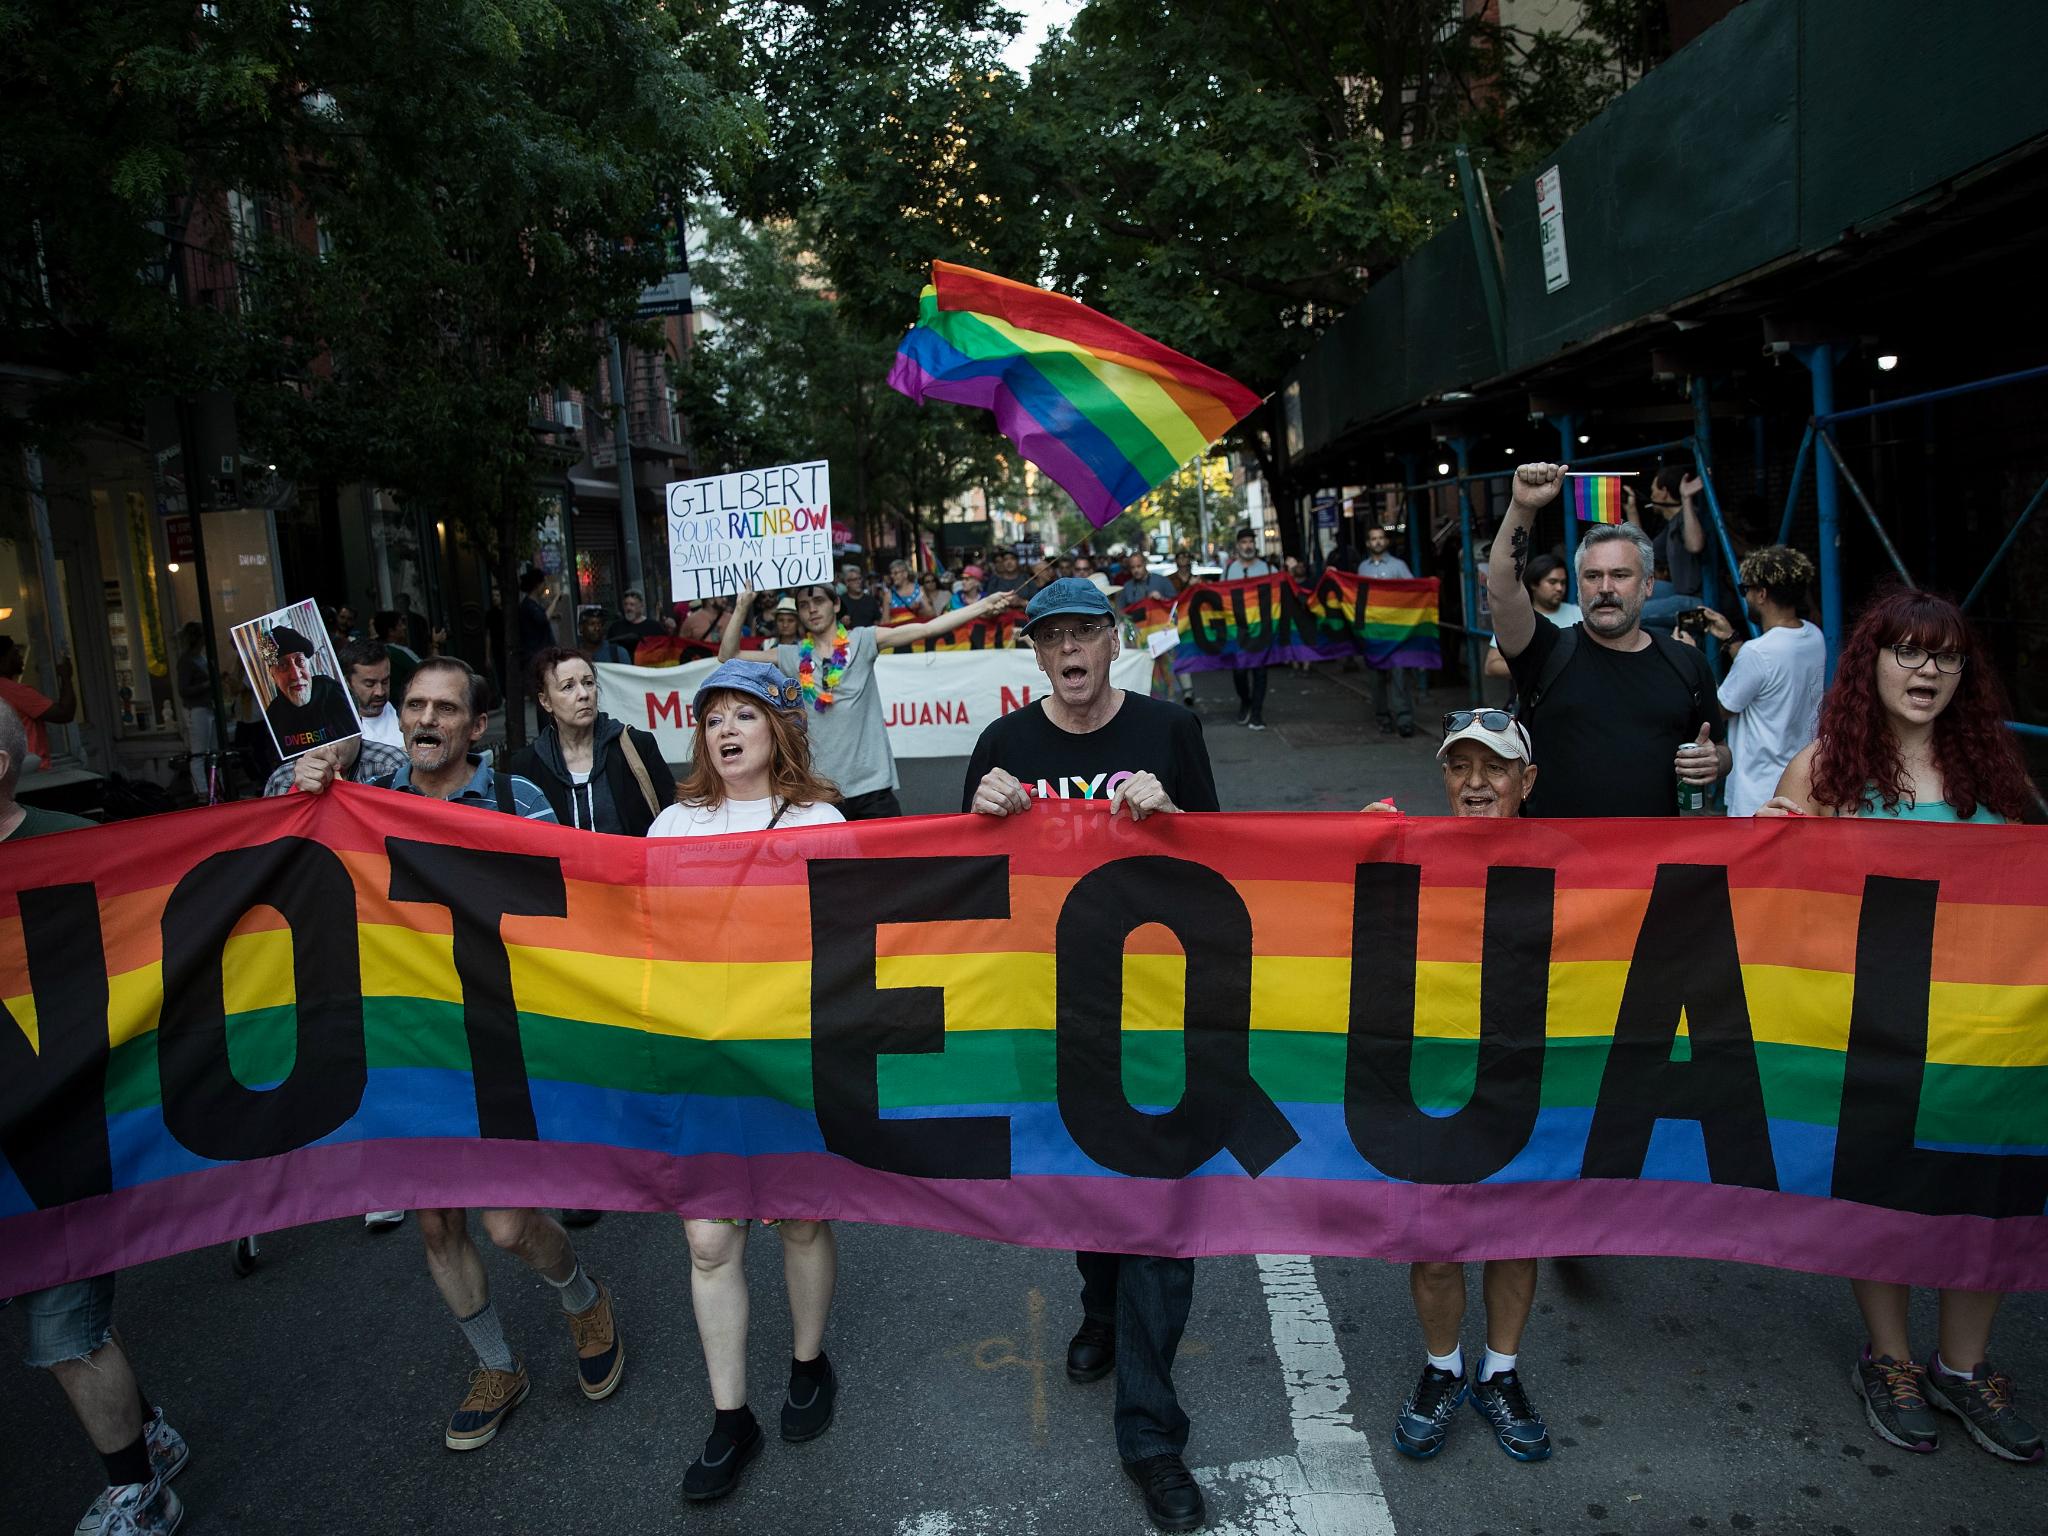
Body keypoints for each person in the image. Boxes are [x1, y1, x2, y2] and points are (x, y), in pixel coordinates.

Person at [292, 658, 621, 1449]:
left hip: (500, 1037)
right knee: (438, 1224)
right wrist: (306, 774)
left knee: (508, 1225)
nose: (427, 720)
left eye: (446, 709)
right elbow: (282, 849)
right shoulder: (364, 799)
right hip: (408, 1045)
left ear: (477, 727)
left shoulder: (518, 800)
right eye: (414, 707)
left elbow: (571, 910)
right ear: (397, 719)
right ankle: (497, 1366)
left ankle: (582, 1298)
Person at [1754, 589, 2040, 1464]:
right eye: (1909, 653)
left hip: (1988, 1035)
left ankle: (1964, 1367)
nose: (1927, 671)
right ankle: (1890, 1359)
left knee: (1980, 1196)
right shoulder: (1821, 771)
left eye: (1945, 656)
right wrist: (1765, 847)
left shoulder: (1997, 774)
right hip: (1872, 1028)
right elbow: (1784, 915)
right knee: (1882, 1189)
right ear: (1870, 664)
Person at [962, 576, 1219, 1534]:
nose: (1069, 650)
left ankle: (1152, 1437)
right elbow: (971, 885)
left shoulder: (1169, 732)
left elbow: (1237, 867)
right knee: (1085, 1190)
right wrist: (979, 807)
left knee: (1160, 1215)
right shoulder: (1005, 746)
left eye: (1084, 634)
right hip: (1055, 1017)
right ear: (1035, 654)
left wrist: (1178, 815)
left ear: (1115, 642)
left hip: (1159, 1015)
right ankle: (1099, 1307)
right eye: (1051, 638)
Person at [641, 660, 846, 1499]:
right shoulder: (671, 824)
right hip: (699, 1059)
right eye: (713, 717)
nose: (726, 730)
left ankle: (808, 1362)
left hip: (791, 1055)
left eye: (745, 716)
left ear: (780, 729)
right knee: (709, 1238)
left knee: (799, 1219)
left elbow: (847, 942)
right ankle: (732, 1419)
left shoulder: (823, 820)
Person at [4, 698, 192, 1536]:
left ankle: (140, 1491)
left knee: (63, 1329)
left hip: (64, 1134)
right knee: (47, 1312)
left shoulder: (66, 846)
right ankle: (148, 1434)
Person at [1359, 710, 1552, 1463]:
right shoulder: (1404, 849)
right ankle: (1442, 1369)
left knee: (1517, 1235)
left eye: (1495, 768)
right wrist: (1350, 851)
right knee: (1436, 1244)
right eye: (1460, 767)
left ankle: (1499, 1373)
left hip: (1526, 1076)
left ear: (1525, 781)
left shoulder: (1576, 858)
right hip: (1431, 1077)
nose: (1476, 785)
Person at [1487, 463, 1726, 818]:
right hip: (1559, 862)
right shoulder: (1547, 651)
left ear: (1648, 585)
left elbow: (1720, 747)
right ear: (1579, 583)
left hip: (1653, 862)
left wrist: (1715, 761)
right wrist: (1523, 506)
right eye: (1593, 576)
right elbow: (1504, 588)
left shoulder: (1687, 663)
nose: (1605, 588)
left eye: (1620, 575)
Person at [718, 579, 1017, 819]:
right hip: (820, 790)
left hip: (873, 786)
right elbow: (727, 656)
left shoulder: (863, 640)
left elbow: (927, 629)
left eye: (819, 600)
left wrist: (983, 605)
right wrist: (743, 605)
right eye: (804, 605)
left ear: (835, 604)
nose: (811, 609)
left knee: (890, 875)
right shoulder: (792, 656)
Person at [1690, 546, 1824, 816]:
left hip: (1758, 792)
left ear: (1761, 594)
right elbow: (1771, 675)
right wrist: (1730, 640)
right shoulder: (1814, 636)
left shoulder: (1758, 653)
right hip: (1801, 782)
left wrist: (1691, 657)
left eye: (1745, 589)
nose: (1746, 597)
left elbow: (1720, 709)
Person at [504, 646, 676, 836]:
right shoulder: (526, 766)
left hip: (633, 864)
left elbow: (672, 819)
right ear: (546, 702)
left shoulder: (638, 746)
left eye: (588, 683)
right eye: (568, 687)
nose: (584, 694)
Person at [256, 625, 360, 755]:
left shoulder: (331, 691)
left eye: (300, 661)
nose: (296, 675)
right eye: (282, 665)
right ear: (273, 676)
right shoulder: (273, 715)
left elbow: (356, 739)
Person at [1482, 554, 1582, 687]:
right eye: (1552, 582)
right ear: (1534, 584)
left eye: (1563, 583)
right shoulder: (1519, 618)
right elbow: (1492, 666)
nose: (1559, 588)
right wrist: (1541, 666)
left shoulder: (1578, 613)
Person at [1354, 526, 1417, 735]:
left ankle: (1404, 719)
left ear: (1386, 541)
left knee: (1400, 676)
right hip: (1374, 634)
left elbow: (1413, 592)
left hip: (1396, 633)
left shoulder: (1399, 566)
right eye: (1373, 539)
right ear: (1368, 543)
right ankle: (1382, 717)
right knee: (1376, 678)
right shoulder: (1363, 568)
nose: (1378, 542)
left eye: (1381, 538)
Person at [1222, 526, 1273, 731]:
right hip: (1238, 631)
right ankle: (1246, 701)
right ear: (1238, 546)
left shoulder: (1268, 569)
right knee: (1240, 672)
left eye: (1250, 542)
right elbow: (1221, 597)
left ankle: (1257, 714)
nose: (1248, 545)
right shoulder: (1229, 570)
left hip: (1261, 629)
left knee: (1260, 671)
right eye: (1244, 542)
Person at [0, 632, 76, 771]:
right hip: (30, 773)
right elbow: (64, 713)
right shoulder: (15, 691)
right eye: (15, 653)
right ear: (3, 660)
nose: (20, 657)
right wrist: (66, 677)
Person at [336, 638, 404, 750]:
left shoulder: (404, 712)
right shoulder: (339, 731)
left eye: (385, 681)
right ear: (347, 682)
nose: (380, 691)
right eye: (370, 684)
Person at [175, 621, 214, 798]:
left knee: (211, 750)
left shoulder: (201, 658)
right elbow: (183, 689)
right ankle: (202, 790)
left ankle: (214, 786)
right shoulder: (186, 661)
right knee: (198, 752)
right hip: (196, 709)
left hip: (207, 707)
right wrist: (207, 684)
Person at [516, 567, 558, 679]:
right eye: (543, 583)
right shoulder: (528, 605)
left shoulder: (532, 605)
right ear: (537, 585)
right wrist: (555, 600)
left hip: (541, 654)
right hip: (536, 656)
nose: (545, 586)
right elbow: (543, 619)